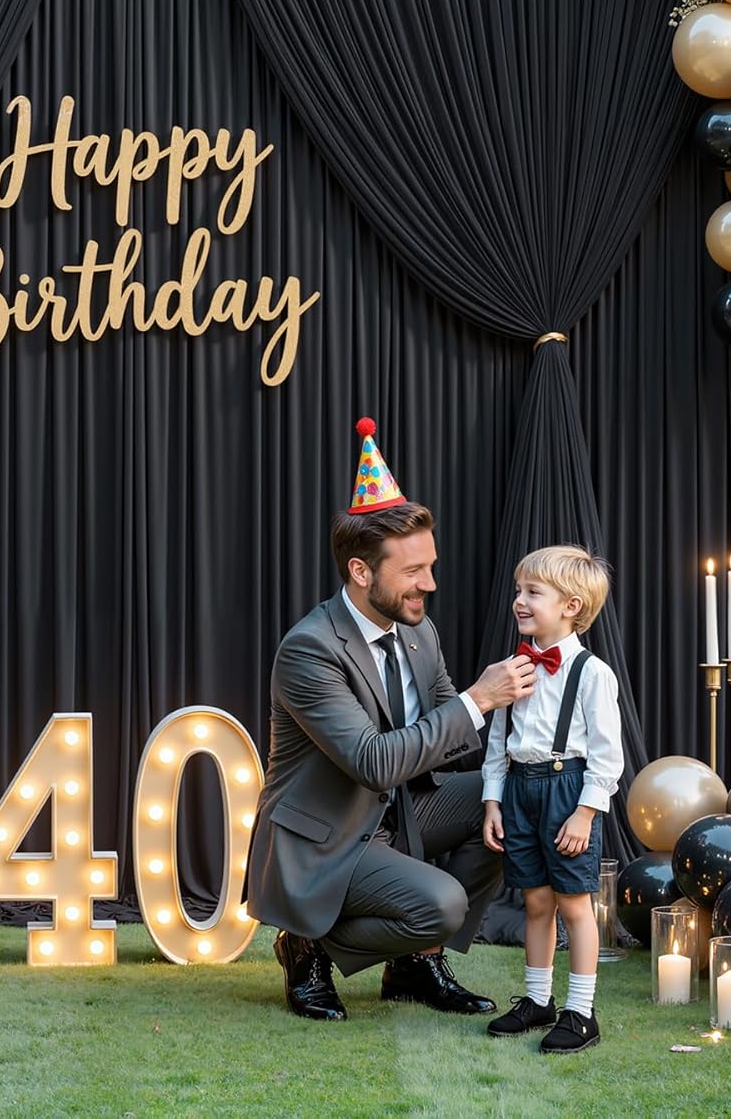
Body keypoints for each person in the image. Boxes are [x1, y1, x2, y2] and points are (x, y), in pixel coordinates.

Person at [248, 417, 538, 1021]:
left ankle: (414, 965)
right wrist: (480, 699)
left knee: (515, 798)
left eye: (430, 566)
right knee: (443, 903)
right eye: (412, 572)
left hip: (402, 810)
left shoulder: (417, 629)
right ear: (361, 572)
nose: (429, 584)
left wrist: (535, 710)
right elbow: (374, 762)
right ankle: (305, 943)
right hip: (327, 834)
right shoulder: (310, 650)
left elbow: (449, 730)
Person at [480, 544, 624, 1055]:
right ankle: (538, 1000)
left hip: (568, 791)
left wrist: (585, 813)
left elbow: (607, 756)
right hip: (519, 789)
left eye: (533, 592)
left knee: (574, 904)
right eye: (518, 590)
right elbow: (498, 742)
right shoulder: (511, 668)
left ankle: (581, 1013)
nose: (519, 601)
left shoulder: (592, 673)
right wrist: (493, 801)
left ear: (571, 606)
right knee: (535, 901)